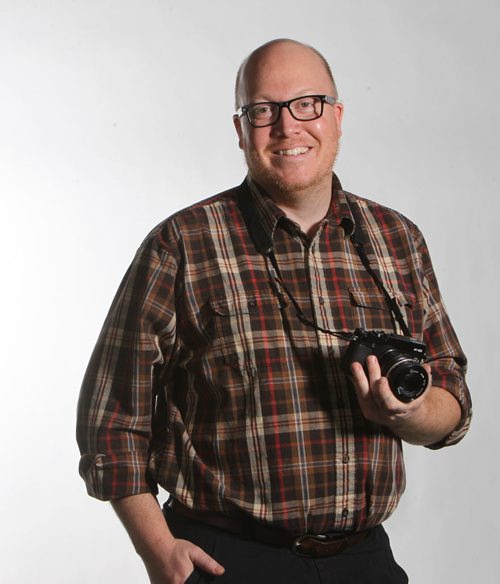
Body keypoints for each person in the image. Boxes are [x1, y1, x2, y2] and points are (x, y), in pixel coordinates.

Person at [77, 39, 471, 584]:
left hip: (364, 561)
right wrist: (156, 549)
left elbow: (452, 400)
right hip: (226, 559)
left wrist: (409, 413)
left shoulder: (396, 239)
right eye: (262, 110)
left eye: (307, 104)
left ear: (336, 117)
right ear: (240, 130)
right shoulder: (181, 245)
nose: (287, 127)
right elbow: (110, 420)